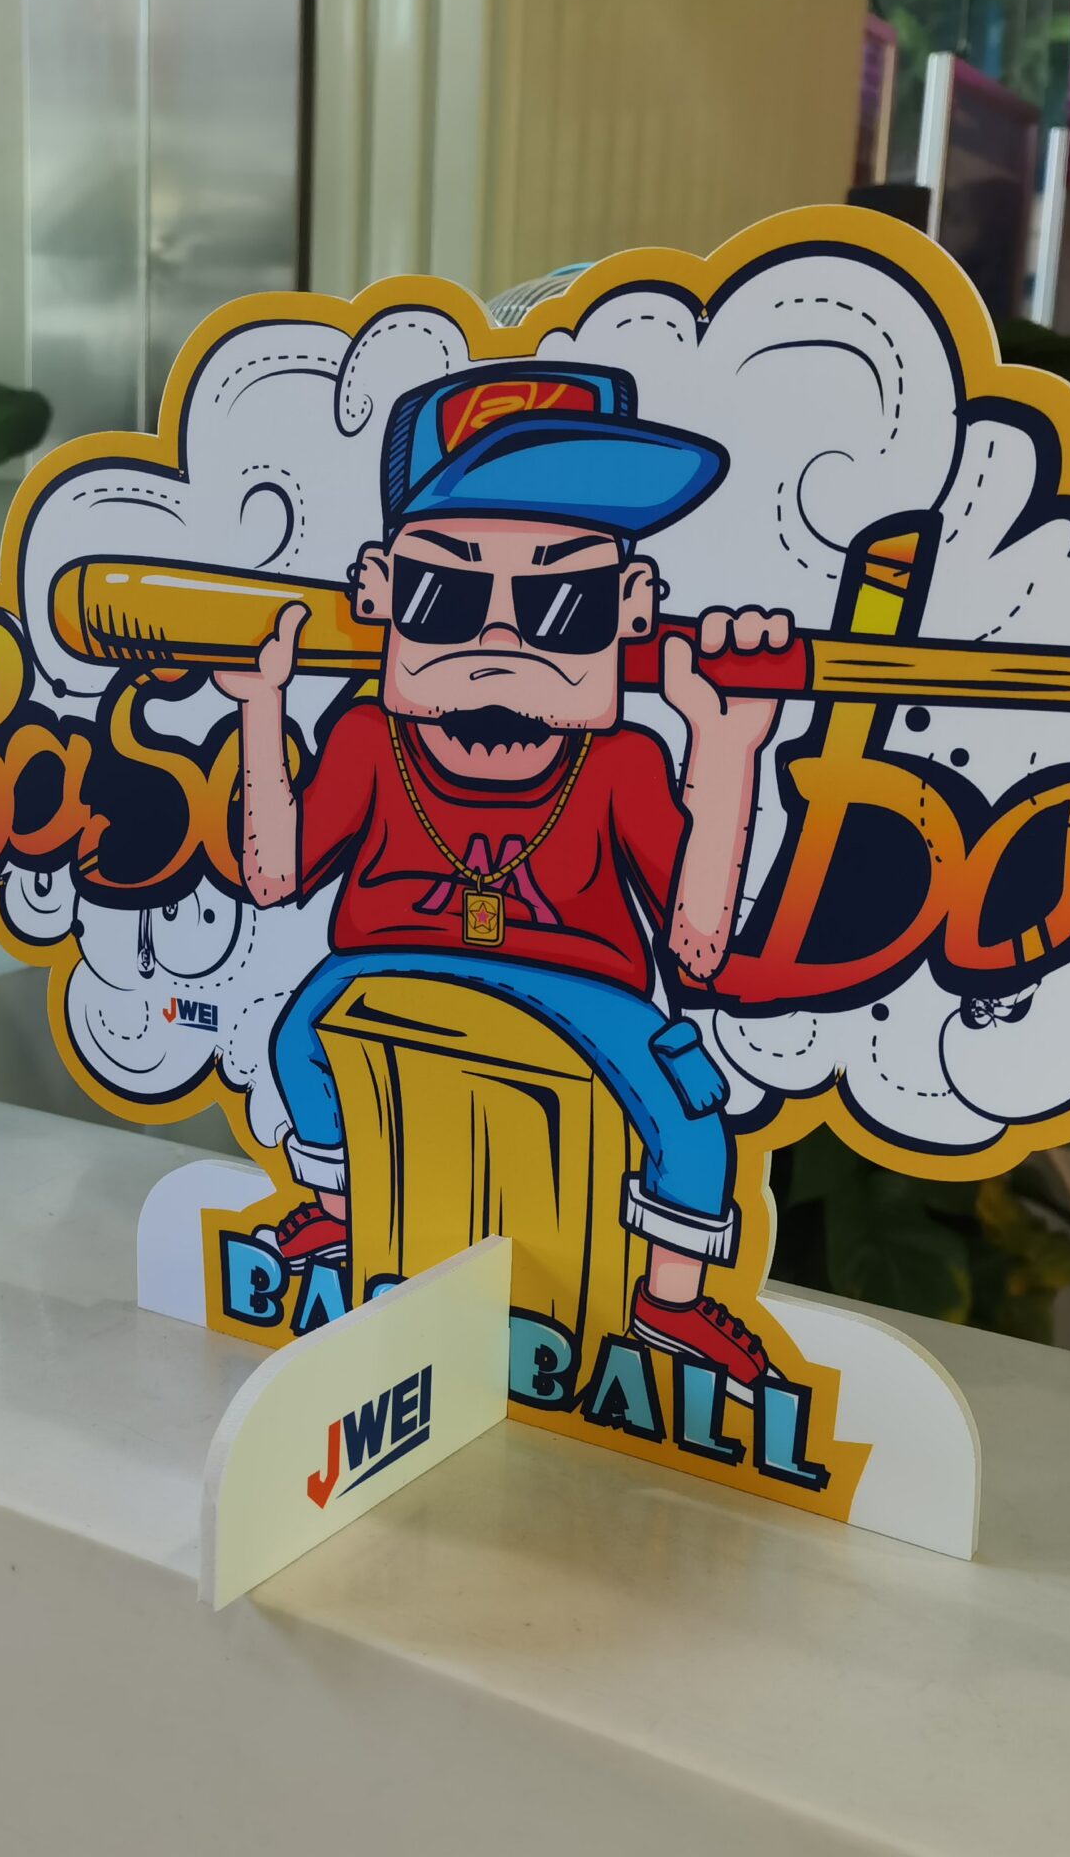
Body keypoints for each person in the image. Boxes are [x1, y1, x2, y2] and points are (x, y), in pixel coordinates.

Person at [213, 361, 788, 1394]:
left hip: (585, 994)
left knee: (689, 1112)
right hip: (382, 969)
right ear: (379, 591)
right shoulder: (368, 738)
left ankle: (668, 1300)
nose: (500, 645)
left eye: (563, 604)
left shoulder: (622, 763)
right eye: (445, 596)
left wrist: (729, 747)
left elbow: (699, 950)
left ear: (632, 605)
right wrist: (261, 709)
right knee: (300, 1038)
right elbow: (271, 877)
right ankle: (340, 1211)